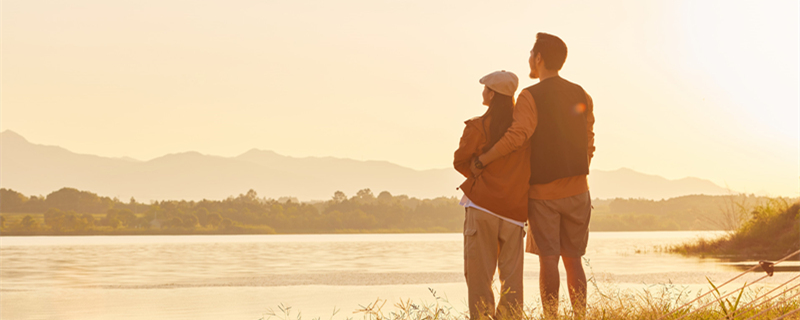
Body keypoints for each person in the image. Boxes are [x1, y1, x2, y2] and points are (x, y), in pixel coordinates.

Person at [472, 33, 595, 319]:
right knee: (574, 261)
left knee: (549, 261)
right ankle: (580, 317)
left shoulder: (530, 95)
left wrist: (484, 159)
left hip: (543, 195)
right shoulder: (582, 94)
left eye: (531, 53)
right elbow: (589, 141)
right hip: (579, 191)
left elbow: (518, 136)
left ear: (539, 58)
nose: (529, 58)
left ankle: (550, 317)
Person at [454, 70, 529, 319]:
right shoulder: (524, 134)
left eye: (485, 88)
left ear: (492, 94)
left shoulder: (477, 127)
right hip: (514, 212)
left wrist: (478, 168)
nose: (483, 92)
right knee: (512, 281)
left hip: (482, 207)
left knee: (478, 276)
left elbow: (460, 161)